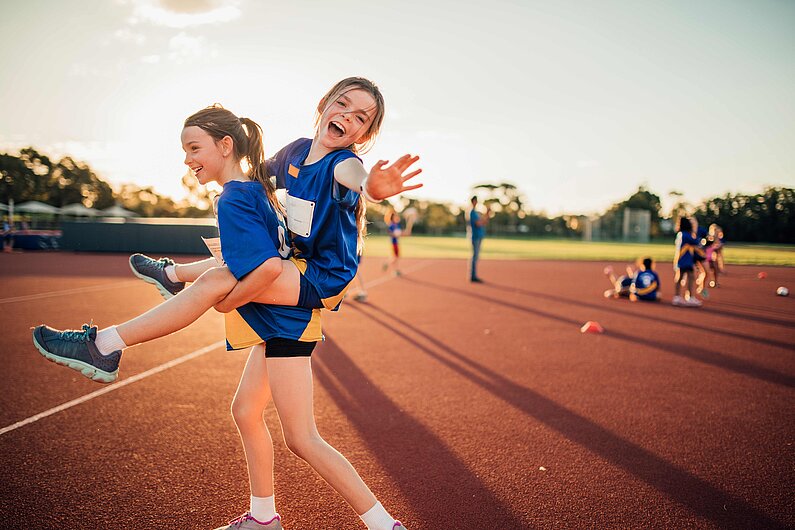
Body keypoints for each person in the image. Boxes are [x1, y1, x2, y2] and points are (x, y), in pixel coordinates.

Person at [34, 84, 417, 530]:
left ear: (364, 134)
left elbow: (356, 178)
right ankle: (262, 517)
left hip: (318, 277)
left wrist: (374, 186)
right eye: (343, 105)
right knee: (246, 410)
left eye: (362, 118)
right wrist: (221, 165)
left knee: (301, 434)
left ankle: (108, 341)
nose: (349, 117)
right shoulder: (292, 152)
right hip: (292, 276)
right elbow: (255, 179)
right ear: (324, 106)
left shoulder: (344, 163)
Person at [672, 216, 702, 307]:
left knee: (680, 277)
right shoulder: (686, 235)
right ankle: (690, 297)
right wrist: (695, 230)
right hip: (686, 260)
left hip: (680, 259)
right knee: (691, 277)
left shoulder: (680, 234)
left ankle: (677, 296)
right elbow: (697, 242)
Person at [467, 196, 489, 283]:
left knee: (476, 256)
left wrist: (487, 213)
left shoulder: (476, 212)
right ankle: (473, 276)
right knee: (475, 256)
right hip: (475, 236)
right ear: (473, 201)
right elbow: (479, 223)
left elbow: (483, 222)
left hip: (479, 236)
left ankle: (473, 275)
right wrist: (486, 215)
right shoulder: (471, 212)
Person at [382, 209, 402, 276]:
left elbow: (399, 234)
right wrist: (394, 235)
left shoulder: (397, 225)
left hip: (396, 243)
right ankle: (394, 270)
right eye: (395, 216)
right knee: (396, 257)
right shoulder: (392, 225)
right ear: (392, 217)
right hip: (394, 243)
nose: (397, 217)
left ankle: (390, 266)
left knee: (395, 257)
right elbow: (389, 232)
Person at [705, 223, 723, 288]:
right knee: (706, 270)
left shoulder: (717, 239)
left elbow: (719, 248)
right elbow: (706, 246)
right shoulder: (708, 237)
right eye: (714, 230)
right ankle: (703, 282)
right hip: (707, 256)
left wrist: (718, 247)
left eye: (716, 230)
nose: (715, 231)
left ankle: (715, 282)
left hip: (712, 257)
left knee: (715, 268)